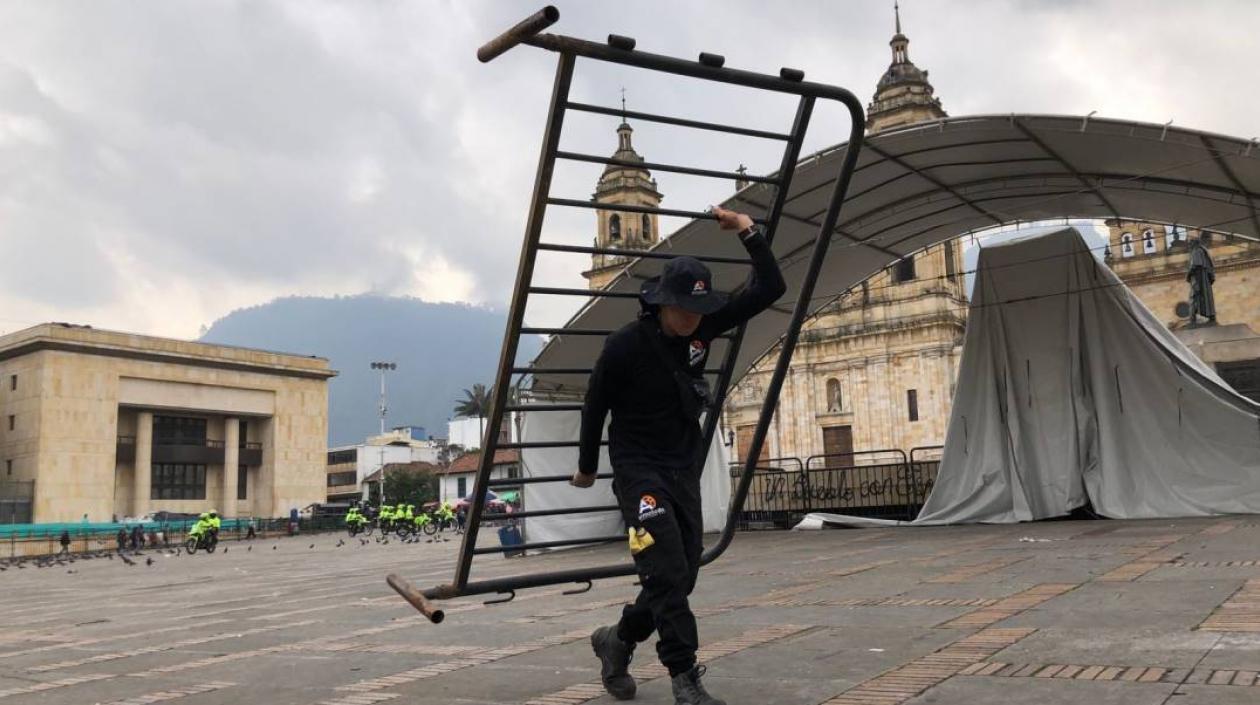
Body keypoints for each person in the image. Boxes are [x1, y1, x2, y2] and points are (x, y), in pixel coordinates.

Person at [572, 206, 785, 705]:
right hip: (637, 467)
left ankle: (618, 639)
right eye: (683, 311)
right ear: (662, 303)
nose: (692, 320)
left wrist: (749, 232)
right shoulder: (624, 346)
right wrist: (586, 466)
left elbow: (770, 288)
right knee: (666, 569)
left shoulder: (703, 329)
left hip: (680, 464)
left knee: (684, 571)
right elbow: (594, 404)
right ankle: (684, 677)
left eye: (699, 311)